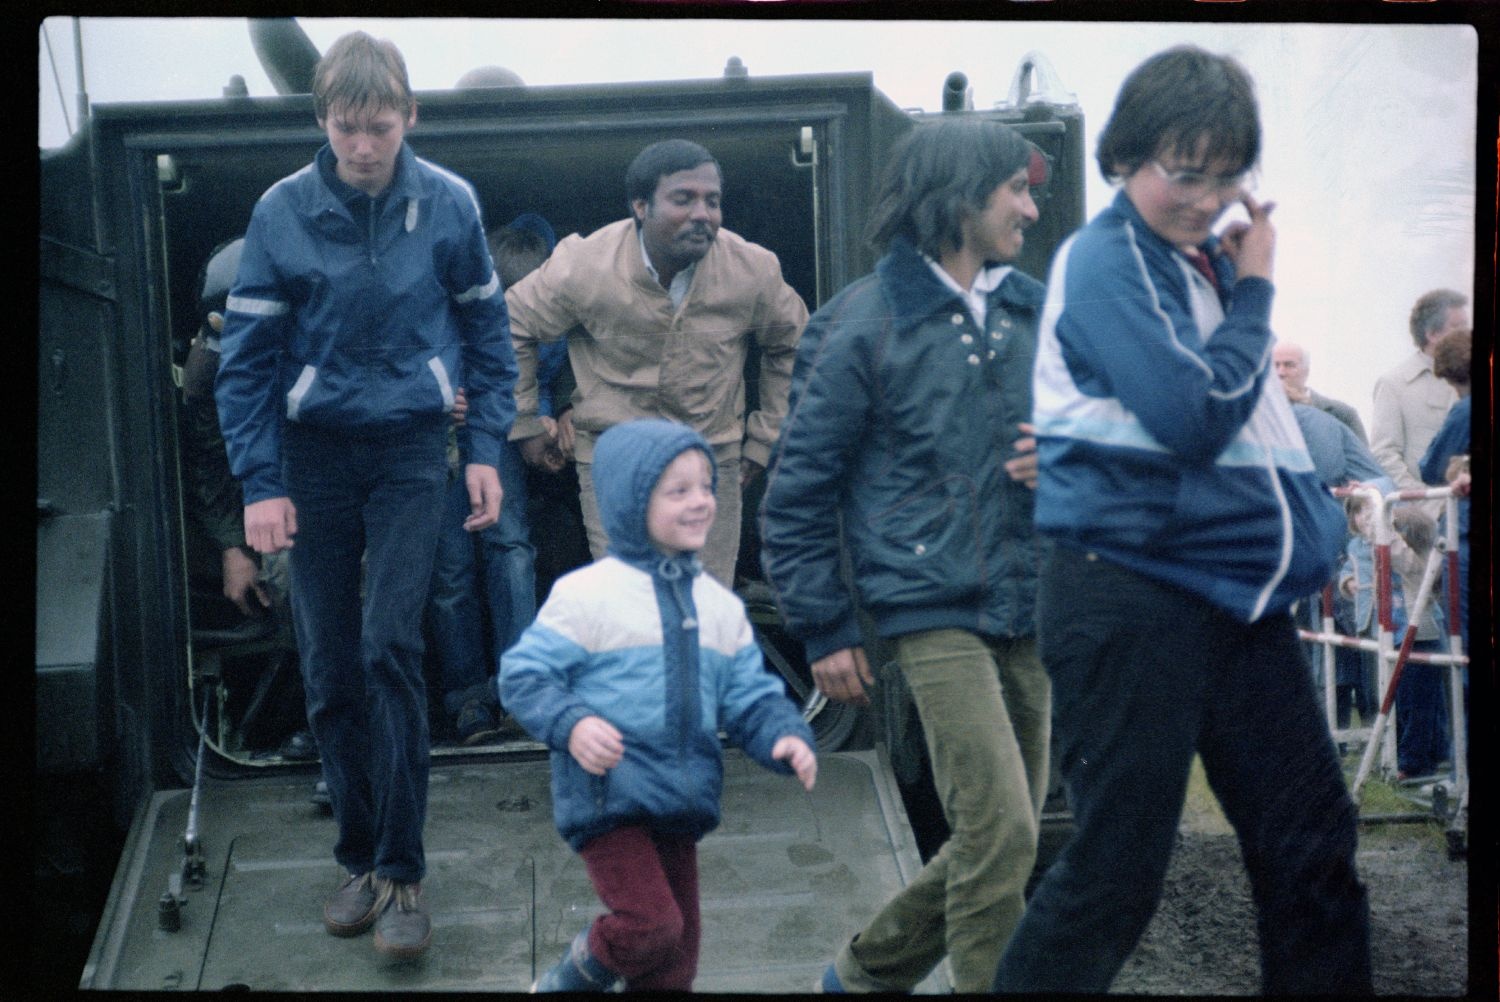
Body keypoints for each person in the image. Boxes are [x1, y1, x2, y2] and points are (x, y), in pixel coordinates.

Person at [992, 46, 1371, 994]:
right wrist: (1257, 290)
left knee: (1312, 843)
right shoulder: (1108, 257)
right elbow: (1191, 416)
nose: (1206, 196)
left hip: (1236, 605)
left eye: (1228, 173)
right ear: (1123, 161)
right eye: (1183, 171)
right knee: (1116, 874)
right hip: (1131, 594)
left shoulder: (1196, 267)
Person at [214, 32, 516, 959]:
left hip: (413, 452)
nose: (363, 146)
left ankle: (405, 870)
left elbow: (489, 337)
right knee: (330, 663)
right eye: (347, 128)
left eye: (380, 127)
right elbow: (246, 366)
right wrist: (259, 486)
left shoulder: (452, 203)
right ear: (323, 121)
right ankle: (356, 857)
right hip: (314, 459)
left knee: (391, 645)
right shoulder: (282, 213)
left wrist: (485, 449)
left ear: (409, 117)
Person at [760, 118, 1052, 994]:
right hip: (928, 607)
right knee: (1001, 833)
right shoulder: (860, 324)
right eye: (1018, 190)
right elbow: (796, 493)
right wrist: (824, 626)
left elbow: (1108, 434)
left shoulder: (1033, 311)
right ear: (961, 196)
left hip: (1032, 596)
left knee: (1003, 837)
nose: (1033, 211)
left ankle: (856, 979)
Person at [500, 418, 816, 992]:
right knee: (651, 926)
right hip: (609, 796)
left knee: (677, 961)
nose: (700, 502)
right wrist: (573, 725)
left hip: (680, 796)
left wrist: (784, 734)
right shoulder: (588, 596)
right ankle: (574, 977)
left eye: (706, 487)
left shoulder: (716, 605)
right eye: (679, 491)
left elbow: (749, 694)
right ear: (630, 502)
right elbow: (524, 675)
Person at [504, 138, 808, 587]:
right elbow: (513, 324)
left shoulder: (752, 270)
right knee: (632, 609)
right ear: (641, 206)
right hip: (615, 462)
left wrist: (764, 440)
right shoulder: (584, 264)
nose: (702, 213)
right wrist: (526, 423)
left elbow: (796, 343)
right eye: (683, 199)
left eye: (712, 201)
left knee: (705, 610)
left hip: (710, 460)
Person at [1339, 495, 1449, 778]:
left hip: (1418, 630)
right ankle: (1410, 756)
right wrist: (1348, 583)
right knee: (1398, 699)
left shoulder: (1407, 539)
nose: (1364, 517)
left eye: (1369, 510)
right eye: (1358, 512)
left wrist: (1386, 534)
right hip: (1388, 633)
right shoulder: (1363, 544)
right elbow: (1355, 569)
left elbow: (1413, 568)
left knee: (1418, 702)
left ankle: (1415, 762)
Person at [1370, 289, 1468, 510]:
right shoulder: (1394, 384)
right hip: (1427, 516)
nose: (1467, 333)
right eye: (1458, 327)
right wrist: (1427, 501)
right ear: (1432, 333)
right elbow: (1385, 454)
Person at [1419, 328, 1472, 731]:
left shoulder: (1464, 410)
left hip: (1470, 541)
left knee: (1465, 651)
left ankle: (1465, 774)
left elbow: (1431, 468)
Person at [1272, 340, 1367, 441]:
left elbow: (1362, 455)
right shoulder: (1259, 415)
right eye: (1275, 366)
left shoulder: (1341, 414)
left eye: (1289, 365)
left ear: (1306, 371)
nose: (1280, 373)